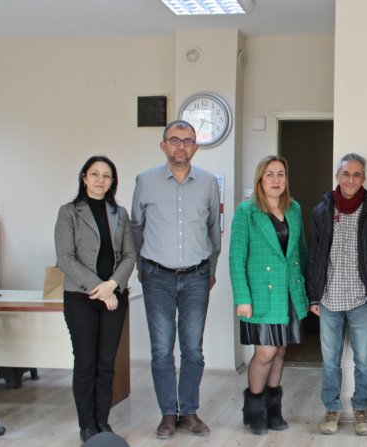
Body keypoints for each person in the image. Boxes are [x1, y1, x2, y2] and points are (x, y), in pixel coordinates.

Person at [131, 120, 221, 439]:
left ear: (195, 147)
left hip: (197, 276)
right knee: (161, 350)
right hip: (157, 277)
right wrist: (143, 266)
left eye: (188, 141)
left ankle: (190, 412)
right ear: (163, 145)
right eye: (175, 140)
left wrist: (211, 270)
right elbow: (136, 227)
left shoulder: (208, 182)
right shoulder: (145, 181)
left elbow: (214, 229)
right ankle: (168, 414)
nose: (181, 146)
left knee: (193, 350)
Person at [54, 155, 136, 444]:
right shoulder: (69, 212)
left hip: (114, 298)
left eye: (107, 175)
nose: (101, 180)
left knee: (106, 363)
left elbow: (130, 255)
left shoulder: (120, 213)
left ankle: (102, 420)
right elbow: (65, 258)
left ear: (112, 181)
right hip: (81, 299)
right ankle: (87, 425)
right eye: (95, 174)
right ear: (84, 178)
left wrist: (113, 285)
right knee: (86, 363)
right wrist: (100, 289)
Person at [230, 155, 308, 435]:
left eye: (281, 174)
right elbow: (236, 257)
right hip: (261, 294)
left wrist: (307, 292)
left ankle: (274, 411)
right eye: (270, 174)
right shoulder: (247, 211)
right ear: (260, 179)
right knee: (265, 352)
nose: (276, 180)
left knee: (281, 350)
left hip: (289, 291)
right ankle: (255, 412)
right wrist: (242, 297)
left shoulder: (294, 209)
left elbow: (301, 251)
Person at [307, 153, 367, 436]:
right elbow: (313, 255)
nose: (351, 179)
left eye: (356, 174)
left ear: (364, 178)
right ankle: (331, 408)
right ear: (337, 176)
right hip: (329, 298)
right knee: (330, 361)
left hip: (363, 300)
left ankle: (361, 410)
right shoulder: (321, 211)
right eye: (346, 173)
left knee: (363, 361)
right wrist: (313, 296)